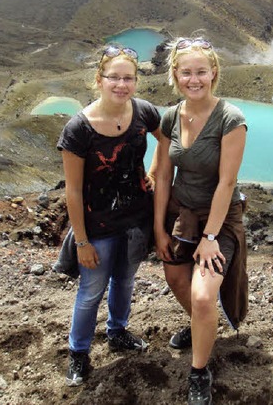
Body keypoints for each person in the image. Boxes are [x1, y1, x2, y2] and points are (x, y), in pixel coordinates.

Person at [56, 44, 163, 387]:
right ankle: (78, 352)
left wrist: (156, 172)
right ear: (99, 80)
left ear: (136, 81)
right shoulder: (79, 129)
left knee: (126, 280)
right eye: (114, 77)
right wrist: (82, 242)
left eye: (128, 78)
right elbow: (72, 191)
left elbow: (170, 143)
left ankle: (117, 332)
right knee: (91, 289)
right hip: (97, 224)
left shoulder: (144, 112)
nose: (121, 84)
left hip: (136, 218)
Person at [153, 36, 249, 405]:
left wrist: (210, 237)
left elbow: (226, 182)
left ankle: (199, 372)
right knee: (176, 278)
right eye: (186, 72)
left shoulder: (231, 119)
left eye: (201, 72)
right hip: (181, 214)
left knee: (203, 295)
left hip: (218, 219)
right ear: (175, 75)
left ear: (214, 74)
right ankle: (202, 329)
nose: (194, 80)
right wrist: (159, 227)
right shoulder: (171, 116)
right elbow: (163, 175)